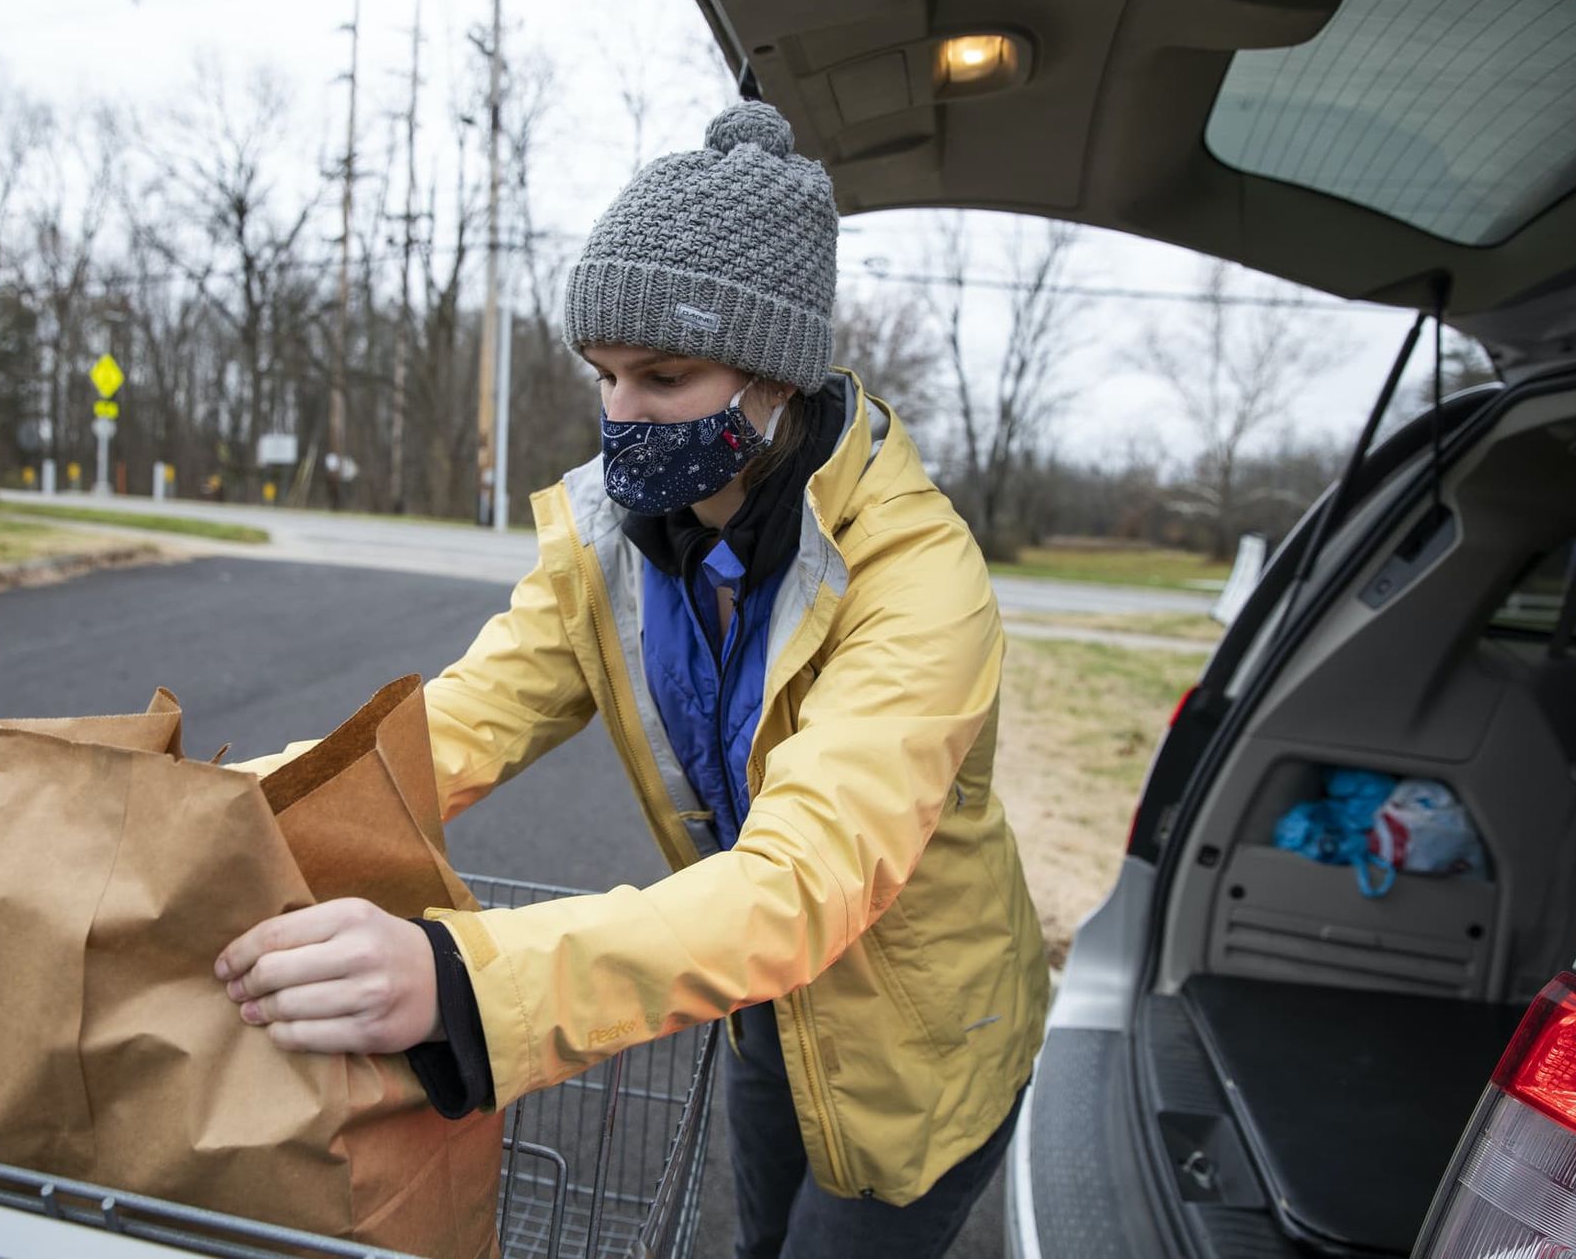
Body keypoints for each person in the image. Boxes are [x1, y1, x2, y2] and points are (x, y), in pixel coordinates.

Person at [216, 98, 1050, 1259]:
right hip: (766, 1011)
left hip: (925, 1042)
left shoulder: (916, 577)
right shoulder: (614, 540)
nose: (621, 418)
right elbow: (454, 726)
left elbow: (804, 877)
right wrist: (218, 813)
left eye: (664, 375)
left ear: (776, 379)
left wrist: (463, 982)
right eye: (603, 374)